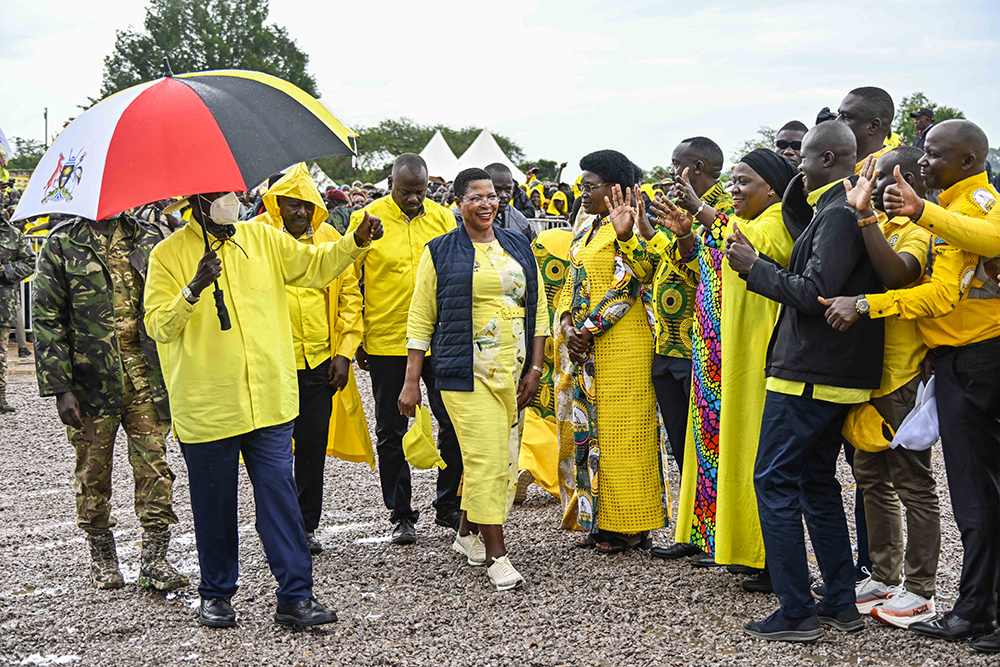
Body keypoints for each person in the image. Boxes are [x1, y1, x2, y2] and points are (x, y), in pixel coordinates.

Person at [144, 190, 380, 628]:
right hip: (209, 405)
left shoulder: (264, 239)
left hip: (269, 403)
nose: (228, 200)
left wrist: (354, 242)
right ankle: (216, 594)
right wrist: (192, 288)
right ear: (195, 202)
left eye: (231, 191)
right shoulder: (168, 254)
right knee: (214, 505)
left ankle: (295, 596)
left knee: (280, 497)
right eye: (217, 195)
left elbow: (315, 267)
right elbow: (158, 325)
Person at [732, 120, 884, 642]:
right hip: (829, 374)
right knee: (815, 483)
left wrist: (756, 269)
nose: (794, 165)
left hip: (811, 375)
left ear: (826, 160)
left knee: (773, 482)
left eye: (802, 160)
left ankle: (796, 609)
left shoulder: (840, 213)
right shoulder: (835, 210)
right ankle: (840, 601)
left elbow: (816, 293)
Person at [629, 149, 796, 592]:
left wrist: (701, 212)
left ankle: (764, 555)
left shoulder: (777, 221)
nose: (736, 190)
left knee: (749, 453)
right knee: (712, 452)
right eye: (735, 182)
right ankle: (729, 545)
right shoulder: (724, 220)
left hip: (748, 351)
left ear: (774, 189)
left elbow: (749, 243)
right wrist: (685, 236)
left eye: (745, 182)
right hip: (713, 351)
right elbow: (694, 267)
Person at [870, 120, 1000, 648]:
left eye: (933, 154)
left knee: (977, 494)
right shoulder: (952, 205)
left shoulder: (981, 200)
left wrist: (923, 211)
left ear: (968, 161)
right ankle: (976, 609)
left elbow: (990, 240)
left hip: (979, 361)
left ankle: (977, 612)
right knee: (976, 494)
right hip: (954, 361)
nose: (923, 162)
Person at [400, 168, 547, 590]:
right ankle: (497, 554)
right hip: (464, 373)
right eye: (476, 197)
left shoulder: (518, 244)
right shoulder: (439, 252)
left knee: (503, 455)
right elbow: (420, 318)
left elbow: (538, 312)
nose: (486, 204)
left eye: (491, 197)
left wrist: (535, 369)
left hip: (513, 371)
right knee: (484, 458)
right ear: (458, 202)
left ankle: (466, 533)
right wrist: (411, 381)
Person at [820, 147, 941, 628]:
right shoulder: (883, 227)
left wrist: (865, 215)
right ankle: (883, 574)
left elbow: (900, 276)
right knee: (871, 478)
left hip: (902, 376)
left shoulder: (920, 232)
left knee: (913, 484)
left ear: (908, 179)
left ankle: (921, 587)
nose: (871, 185)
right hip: (866, 376)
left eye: (883, 177)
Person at [32, 213, 185, 591]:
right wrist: (60, 386)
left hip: (145, 373)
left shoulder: (148, 238)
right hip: (90, 382)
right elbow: (48, 318)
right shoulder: (62, 243)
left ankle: (154, 559)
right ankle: (102, 557)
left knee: (155, 465)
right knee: (93, 471)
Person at [623, 136, 733, 564]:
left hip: (701, 348)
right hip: (665, 343)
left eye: (676, 164)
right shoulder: (678, 211)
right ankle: (693, 530)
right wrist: (644, 234)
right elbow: (659, 265)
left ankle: (720, 534)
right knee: (682, 444)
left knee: (712, 444)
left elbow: (699, 268)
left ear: (699, 167)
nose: (670, 171)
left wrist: (680, 235)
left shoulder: (723, 210)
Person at [347, 154, 464, 544]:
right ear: (390, 184)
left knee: (453, 422)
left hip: (440, 339)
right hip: (387, 340)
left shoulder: (444, 218)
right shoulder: (368, 219)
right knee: (391, 428)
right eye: (405, 192)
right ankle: (401, 514)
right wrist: (357, 335)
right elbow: (351, 281)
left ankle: (448, 505)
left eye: (420, 191)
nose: (413, 199)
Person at [252, 164, 367, 556]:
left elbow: (351, 297)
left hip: (320, 363)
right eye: (291, 205)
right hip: (275, 363)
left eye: (307, 206)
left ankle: (306, 525)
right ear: (275, 205)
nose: (300, 212)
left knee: (312, 446)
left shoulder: (331, 239)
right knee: (274, 450)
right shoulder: (260, 240)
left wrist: (344, 353)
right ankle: (277, 523)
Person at [559, 149, 666, 554]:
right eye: (581, 185)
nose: (582, 192)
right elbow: (574, 280)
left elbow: (633, 281)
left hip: (626, 345)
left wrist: (586, 329)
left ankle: (632, 526)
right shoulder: (588, 227)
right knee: (594, 432)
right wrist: (568, 324)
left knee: (628, 437)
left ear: (614, 188)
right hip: (588, 348)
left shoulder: (636, 223)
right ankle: (600, 520)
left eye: (590, 186)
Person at [454, 163, 536, 242]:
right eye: (496, 190)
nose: (503, 195)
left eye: (508, 190)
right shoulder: (457, 218)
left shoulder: (519, 220)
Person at [0, 217, 32, 412]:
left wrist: (6, 271)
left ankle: (1, 398)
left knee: (0, 354)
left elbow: (30, 262)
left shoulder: (14, 235)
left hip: (3, 303)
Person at [837, 86, 895, 173]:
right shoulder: (837, 168)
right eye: (838, 115)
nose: (836, 122)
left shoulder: (882, 178)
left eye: (846, 117)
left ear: (873, 126)